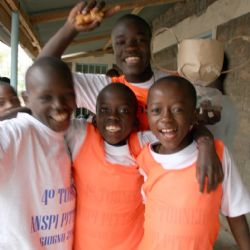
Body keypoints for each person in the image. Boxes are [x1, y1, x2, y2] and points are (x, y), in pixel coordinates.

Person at [39, 1, 223, 192]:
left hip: (165, 188)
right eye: (121, 42)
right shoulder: (106, 90)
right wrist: (70, 28)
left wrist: (205, 136)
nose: (131, 48)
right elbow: (42, 73)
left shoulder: (172, 86)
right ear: (113, 48)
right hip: (121, 189)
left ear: (150, 44)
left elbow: (200, 120)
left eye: (139, 40)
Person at [137, 76, 250, 250]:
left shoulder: (218, 155)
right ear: (147, 115)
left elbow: (235, 211)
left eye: (177, 110)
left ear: (194, 116)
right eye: (156, 110)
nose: (166, 118)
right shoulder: (145, 157)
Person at [66, 83, 156, 249]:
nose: (113, 117)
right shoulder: (81, 135)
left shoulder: (143, 144)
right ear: (95, 116)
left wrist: (204, 138)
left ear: (136, 121)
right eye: (105, 110)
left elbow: (179, 133)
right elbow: (40, 121)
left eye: (123, 111)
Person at [0, 57, 76, 249]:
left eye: (67, 95)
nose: (59, 105)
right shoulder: (18, 133)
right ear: (26, 99)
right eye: (46, 97)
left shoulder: (69, 134)